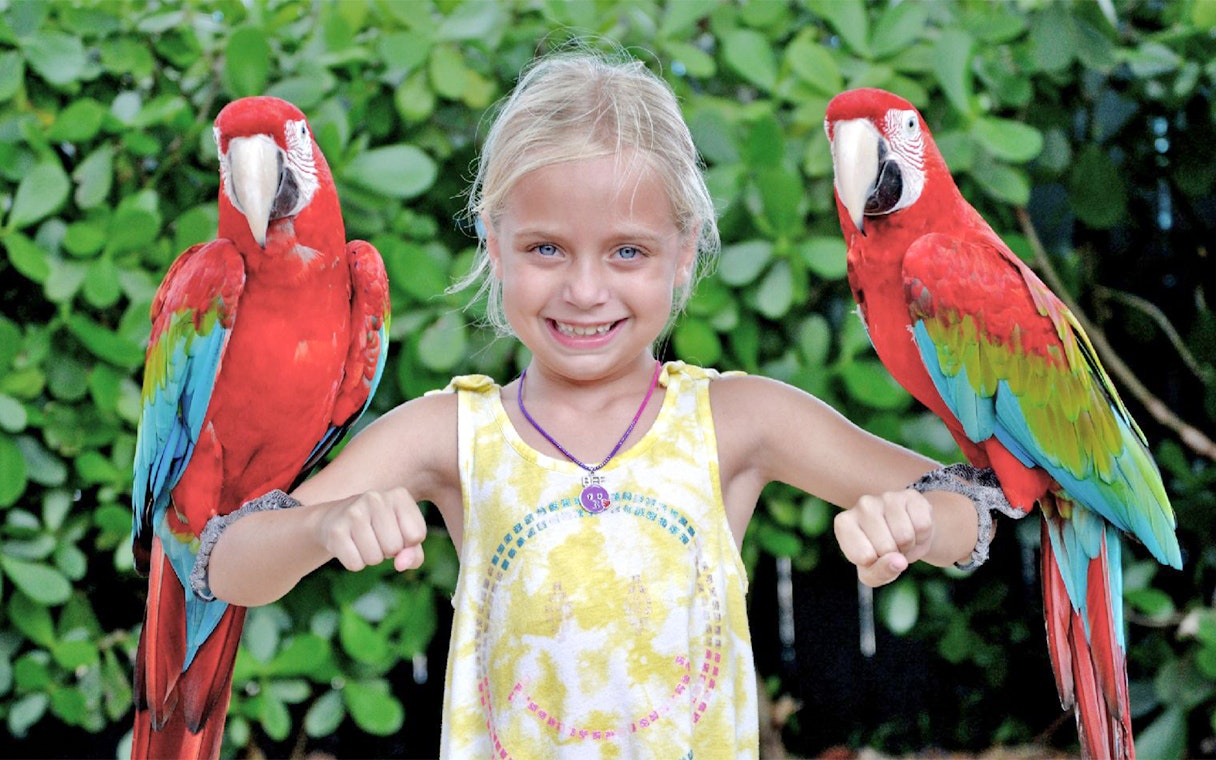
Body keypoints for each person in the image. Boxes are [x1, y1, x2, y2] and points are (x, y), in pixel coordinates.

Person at [198, 46, 1008, 758]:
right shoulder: (451, 433)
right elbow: (231, 565)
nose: (585, 291)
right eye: (546, 248)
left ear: (683, 255)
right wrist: (321, 525)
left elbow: (971, 512)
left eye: (628, 251)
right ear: (494, 246)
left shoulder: (739, 420)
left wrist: (913, 523)